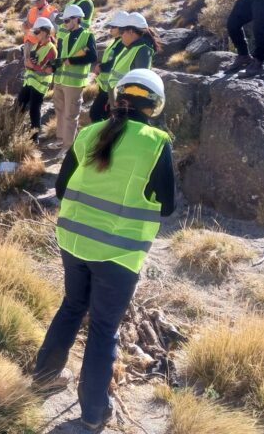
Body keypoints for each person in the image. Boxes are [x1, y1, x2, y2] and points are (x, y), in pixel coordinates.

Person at [33, 69, 175, 433]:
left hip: (73, 242)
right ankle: (94, 413)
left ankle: (44, 377)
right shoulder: (157, 142)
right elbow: (168, 205)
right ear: (153, 106)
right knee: (103, 328)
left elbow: (62, 188)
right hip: (119, 253)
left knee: (71, 307)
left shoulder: (89, 132)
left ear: (114, 100)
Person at [50, 4, 97, 154]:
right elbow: (61, 56)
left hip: (74, 83)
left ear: (76, 19)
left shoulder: (87, 35)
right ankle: (60, 140)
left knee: (71, 114)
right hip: (60, 80)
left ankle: (68, 146)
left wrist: (72, 61)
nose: (65, 24)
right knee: (60, 111)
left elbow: (92, 56)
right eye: (64, 21)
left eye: (67, 21)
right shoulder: (65, 35)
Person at [16, 17, 57, 142]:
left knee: (34, 110)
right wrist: (28, 63)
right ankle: (15, 130)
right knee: (20, 105)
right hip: (30, 82)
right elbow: (34, 63)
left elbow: (48, 70)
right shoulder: (36, 45)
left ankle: (34, 139)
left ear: (45, 32)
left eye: (37, 32)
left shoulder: (51, 49)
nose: (35, 34)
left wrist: (32, 66)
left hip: (40, 85)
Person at [106, 12, 160, 106]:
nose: (120, 35)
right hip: (117, 98)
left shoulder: (142, 50)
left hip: (126, 103)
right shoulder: (130, 47)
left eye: (122, 32)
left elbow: (140, 83)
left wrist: (123, 102)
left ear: (131, 32)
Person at [90, 11, 128, 122]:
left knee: (96, 114)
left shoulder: (121, 43)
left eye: (113, 26)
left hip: (111, 88)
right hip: (106, 86)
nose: (110, 29)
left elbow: (114, 62)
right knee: (99, 115)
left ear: (122, 28)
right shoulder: (116, 41)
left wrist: (101, 67)